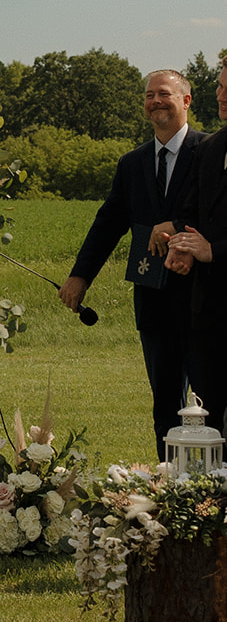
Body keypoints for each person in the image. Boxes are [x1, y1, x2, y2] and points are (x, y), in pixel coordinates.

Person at [58, 71, 205, 458]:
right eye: (149, 95)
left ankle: (215, 500)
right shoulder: (133, 164)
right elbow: (108, 224)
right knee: (165, 408)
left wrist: (176, 227)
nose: (156, 101)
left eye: (165, 94)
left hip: (205, 303)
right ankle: (171, 488)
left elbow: (219, 215)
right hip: (154, 302)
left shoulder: (209, 153)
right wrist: (80, 276)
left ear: (186, 101)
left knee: (211, 409)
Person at [152, 56, 227, 436]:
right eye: (219, 85)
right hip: (210, 309)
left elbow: (212, 241)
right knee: (210, 419)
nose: (221, 95)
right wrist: (182, 244)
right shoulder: (212, 149)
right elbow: (193, 212)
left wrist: (214, 251)